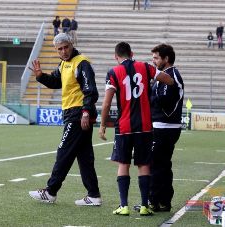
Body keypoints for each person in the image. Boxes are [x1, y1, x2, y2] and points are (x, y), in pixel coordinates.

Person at [99, 42, 174, 216]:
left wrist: (102, 124)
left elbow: (107, 102)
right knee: (144, 164)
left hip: (124, 127)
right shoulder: (145, 67)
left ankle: (123, 206)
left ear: (116, 56)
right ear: (132, 53)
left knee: (123, 164)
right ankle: (144, 206)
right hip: (145, 126)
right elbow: (167, 79)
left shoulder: (113, 72)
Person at [28, 33, 101, 206]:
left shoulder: (82, 63)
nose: (63, 51)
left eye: (65, 47)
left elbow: (91, 90)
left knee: (63, 152)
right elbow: (55, 81)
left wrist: (85, 112)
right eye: (59, 49)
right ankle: (94, 195)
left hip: (78, 114)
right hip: (72, 113)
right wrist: (40, 76)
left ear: (71, 44)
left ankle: (51, 191)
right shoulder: (64, 64)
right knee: (84, 157)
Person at [148, 44, 184, 212]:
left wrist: (149, 94)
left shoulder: (171, 75)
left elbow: (164, 100)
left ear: (166, 59)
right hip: (165, 126)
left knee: (155, 165)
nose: (153, 61)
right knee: (163, 165)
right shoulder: (166, 75)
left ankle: (153, 201)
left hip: (164, 126)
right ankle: (163, 202)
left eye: (156, 58)